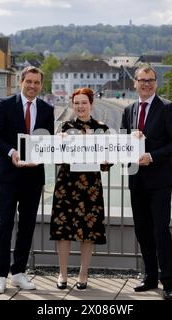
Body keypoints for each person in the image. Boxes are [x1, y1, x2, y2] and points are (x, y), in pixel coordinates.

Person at [0, 66, 55, 294]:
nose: (33, 86)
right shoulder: (5, 104)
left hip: (33, 177)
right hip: (8, 174)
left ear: (41, 85)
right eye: (29, 82)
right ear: (21, 82)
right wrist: (11, 153)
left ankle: (18, 273)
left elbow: (48, 140)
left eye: (37, 82)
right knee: (5, 225)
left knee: (27, 227)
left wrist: (48, 150)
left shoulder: (47, 109)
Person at [121, 65, 172, 300]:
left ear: (156, 82)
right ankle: (149, 277)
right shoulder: (129, 110)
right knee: (143, 231)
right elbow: (124, 143)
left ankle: (167, 282)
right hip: (136, 179)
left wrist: (153, 155)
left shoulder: (167, 108)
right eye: (142, 80)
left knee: (161, 230)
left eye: (151, 80)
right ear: (134, 83)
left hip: (160, 181)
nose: (146, 84)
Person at [50, 87, 110, 290]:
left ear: (91, 104)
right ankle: (62, 273)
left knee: (89, 231)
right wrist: (58, 144)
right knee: (63, 230)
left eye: (84, 102)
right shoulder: (64, 128)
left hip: (90, 187)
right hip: (66, 185)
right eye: (76, 103)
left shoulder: (102, 129)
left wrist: (106, 160)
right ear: (72, 105)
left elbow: (107, 165)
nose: (80, 106)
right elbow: (55, 158)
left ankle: (83, 274)